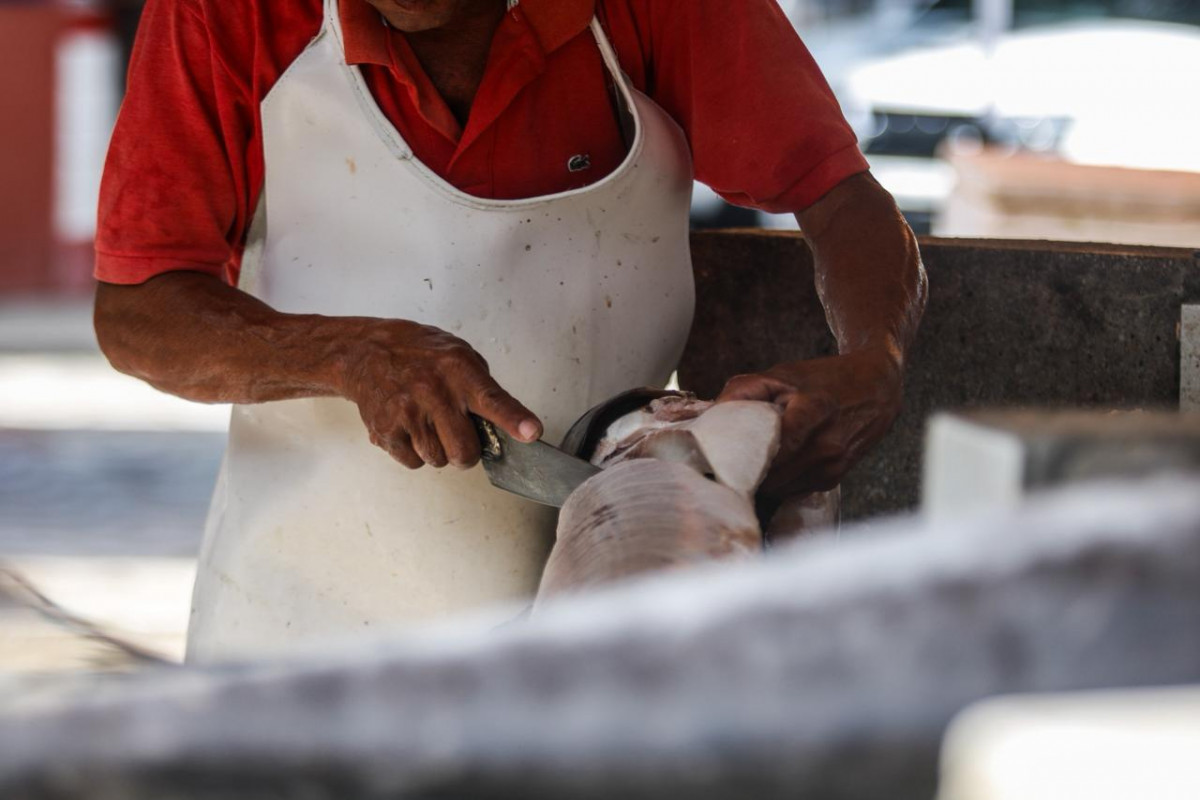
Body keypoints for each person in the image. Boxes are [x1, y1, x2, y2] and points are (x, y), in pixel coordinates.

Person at [93, 0, 927, 662]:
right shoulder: (224, 13)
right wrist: (343, 355)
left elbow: (842, 195)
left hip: (592, 616)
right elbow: (139, 310)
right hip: (292, 626)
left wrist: (873, 359)